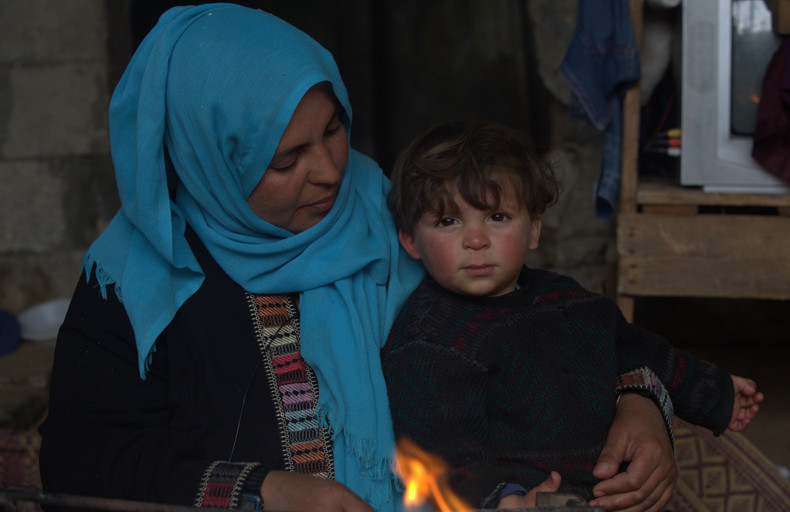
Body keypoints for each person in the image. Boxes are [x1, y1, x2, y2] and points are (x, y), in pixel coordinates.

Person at [38, 4, 682, 512]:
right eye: (285, 160)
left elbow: (542, 318)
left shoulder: (390, 214)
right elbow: (82, 461)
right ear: (209, 160)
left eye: (333, 130)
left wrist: (640, 400)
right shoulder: (136, 280)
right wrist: (266, 489)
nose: (327, 172)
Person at [382, 120, 764, 510]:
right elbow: (441, 450)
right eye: (448, 221)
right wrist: (508, 500)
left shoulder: (567, 299)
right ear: (411, 241)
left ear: (533, 229)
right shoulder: (432, 339)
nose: (476, 240)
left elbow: (637, 351)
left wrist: (714, 392)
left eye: (497, 217)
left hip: (609, 492)